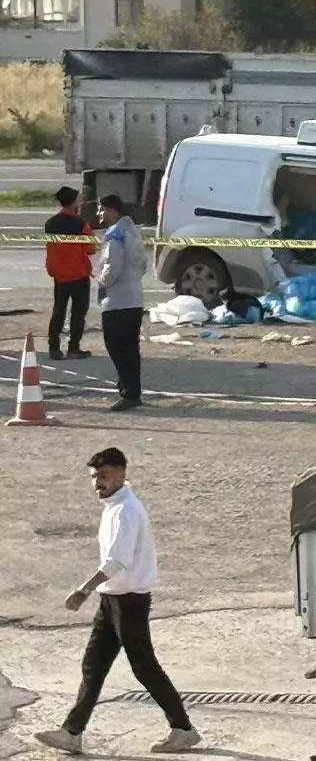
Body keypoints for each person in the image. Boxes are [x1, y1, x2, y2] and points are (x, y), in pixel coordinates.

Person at [33, 447, 201, 755]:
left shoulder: (127, 510)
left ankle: (183, 729)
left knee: (144, 667)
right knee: (93, 666)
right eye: (95, 477)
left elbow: (117, 560)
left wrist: (84, 589)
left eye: (104, 476)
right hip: (112, 600)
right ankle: (72, 732)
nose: (98, 483)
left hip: (130, 601)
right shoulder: (113, 506)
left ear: (122, 473)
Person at [95, 195, 148, 412]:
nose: (99, 214)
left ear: (111, 210)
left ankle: (129, 393)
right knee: (131, 348)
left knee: (118, 348)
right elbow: (143, 264)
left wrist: (100, 279)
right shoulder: (133, 231)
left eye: (101, 210)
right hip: (134, 297)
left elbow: (112, 268)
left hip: (117, 300)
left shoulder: (115, 234)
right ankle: (132, 389)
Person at [44, 186, 97, 361]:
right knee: (78, 312)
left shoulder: (50, 223)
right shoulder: (81, 224)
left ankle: (54, 347)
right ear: (74, 202)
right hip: (78, 274)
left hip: (59, 275)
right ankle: (73, 347)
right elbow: (90, 250)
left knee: (58, 310)